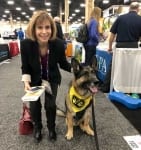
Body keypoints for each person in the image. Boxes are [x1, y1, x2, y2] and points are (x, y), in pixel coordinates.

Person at [20, 10, 71, 143]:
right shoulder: (26, 44)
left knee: (50, 105)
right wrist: (26, 82)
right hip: (34, 79)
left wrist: (80, 70)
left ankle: (51, 128)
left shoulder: (59, 44)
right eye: (40, 27)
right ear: (34, 28)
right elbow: (25, 66)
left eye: (47, 27)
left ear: (52, 28)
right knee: (34, 105)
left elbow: (64, 64)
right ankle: (37, 127)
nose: (44, 31)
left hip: (51, 78)